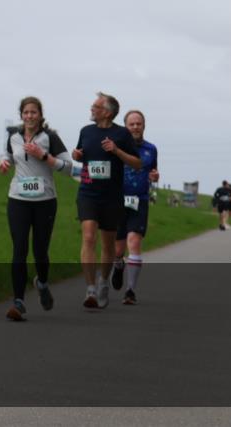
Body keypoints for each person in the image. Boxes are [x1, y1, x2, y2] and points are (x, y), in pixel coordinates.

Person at [0, 96, 73, 321]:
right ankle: (18, 302)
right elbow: (8, 154)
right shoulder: (13, 135)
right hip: (18, 199)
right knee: (19, 250)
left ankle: (41, 283)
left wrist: (45, 157)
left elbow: (68, 168)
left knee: (40, 252)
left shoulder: (50, 137)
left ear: (40, 115)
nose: (29, 116)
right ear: (21, 115)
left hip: (45, 201)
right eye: (26, 112)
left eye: (34, 112)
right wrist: (4, 161)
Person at [72, 93, 142, 309]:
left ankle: (104, 282)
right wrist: (76, 155)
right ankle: (90, 289)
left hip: (111, 197)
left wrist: (117, 150)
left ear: (108, 112)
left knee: (108, 244)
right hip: (87, 193)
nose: (92, 108)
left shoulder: (121, 134)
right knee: (89, 236)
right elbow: (82, 155)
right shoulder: (86, 131)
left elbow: (137, 163)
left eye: (96, 106)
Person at [110, 110, 159, 306]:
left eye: (139, 124)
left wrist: (154, 176)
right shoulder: (115, 147)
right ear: (125, 126)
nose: (136, 127)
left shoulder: (151, 149)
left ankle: (130, 290)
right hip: (117, 200)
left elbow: (153, 171)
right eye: (132, 124)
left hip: (140, 200)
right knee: (118, 248)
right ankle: (118, 264)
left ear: (144, 125)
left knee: (134, 242)